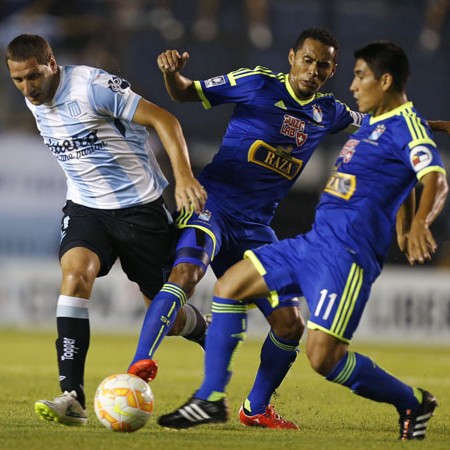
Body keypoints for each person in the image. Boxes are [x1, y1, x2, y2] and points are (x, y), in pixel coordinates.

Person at [158, 41, 448, 441]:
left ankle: (412, 400)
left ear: (384, 80)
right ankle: (211, 397)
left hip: (345, 257)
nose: (352, 84)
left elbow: (434, 176)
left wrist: (418, 223)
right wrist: (404, 217)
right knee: (229, 286)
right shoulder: (376, 124)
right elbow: (399, 176)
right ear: (292, 58)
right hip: (312, 243)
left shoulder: (404, 125)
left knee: (323, 358)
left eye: (359, 75)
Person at [127, 27, 366, 429]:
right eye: (307, 60)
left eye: (322, 65)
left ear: (332, 69)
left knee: (290, 323)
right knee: (187, 273)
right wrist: (172, 73)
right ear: (292, 57)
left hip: (256, 229)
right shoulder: (255, 83)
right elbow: (185, 92)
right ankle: (137, 367)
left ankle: (256, 409)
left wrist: (431, 129)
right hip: (213, 206)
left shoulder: (330, 112)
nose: (313, 70)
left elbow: (386, 124)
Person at [5, 33, 207, 426]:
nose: (27, 89)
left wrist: (183, 178)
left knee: (167, 312)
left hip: (140, 211)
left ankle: (204, 330)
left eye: (33, 77)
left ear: (51, 62)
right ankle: (72, 396)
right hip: (86, 208)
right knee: (75, 274)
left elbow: (166, 119)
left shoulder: (92, 87)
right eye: (17, 81)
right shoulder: (36, 98)